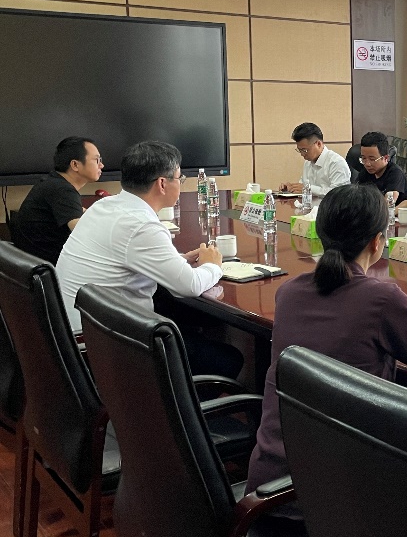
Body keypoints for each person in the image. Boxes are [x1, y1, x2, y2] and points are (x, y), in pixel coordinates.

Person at [246, 184, 407, 507]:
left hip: (269, 489)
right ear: (378, 242)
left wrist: (402, 314)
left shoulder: (289, 293)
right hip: (341, 500)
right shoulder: (382, 300)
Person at [55, 141, 241, 377]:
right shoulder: (141, 224)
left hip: (76, 338)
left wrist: (178, 260)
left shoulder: (103, 206)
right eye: (179, 178)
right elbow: (190, 286)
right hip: (111, 346)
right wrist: (213, 265)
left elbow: (125, 256)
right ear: (162, 183)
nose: (180, 184)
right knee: (227, 360)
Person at [13, 137, 103, 265]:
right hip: (50, 267)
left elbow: (81, 212)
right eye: (96, 160)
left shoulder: (53, 182)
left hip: (32, 262)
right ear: (75, 165)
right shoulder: (62, 190)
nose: (101, 165)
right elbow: (83, 232)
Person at [280, 122, 350, 196]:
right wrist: (291, 188)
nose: (302, 154)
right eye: (300, 150)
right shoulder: (308, 162)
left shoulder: (336, 163)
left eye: (304, 150)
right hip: (309, 203)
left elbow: (338, 194)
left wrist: (308, 189)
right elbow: (302, 186)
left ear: (318, 144)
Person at [355, 130, 407, 203]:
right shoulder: (365, 173)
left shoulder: (395, 173)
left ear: (386, 158)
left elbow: (388, 203)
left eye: (372, 159)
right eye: (364, 158)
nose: (367, 164)